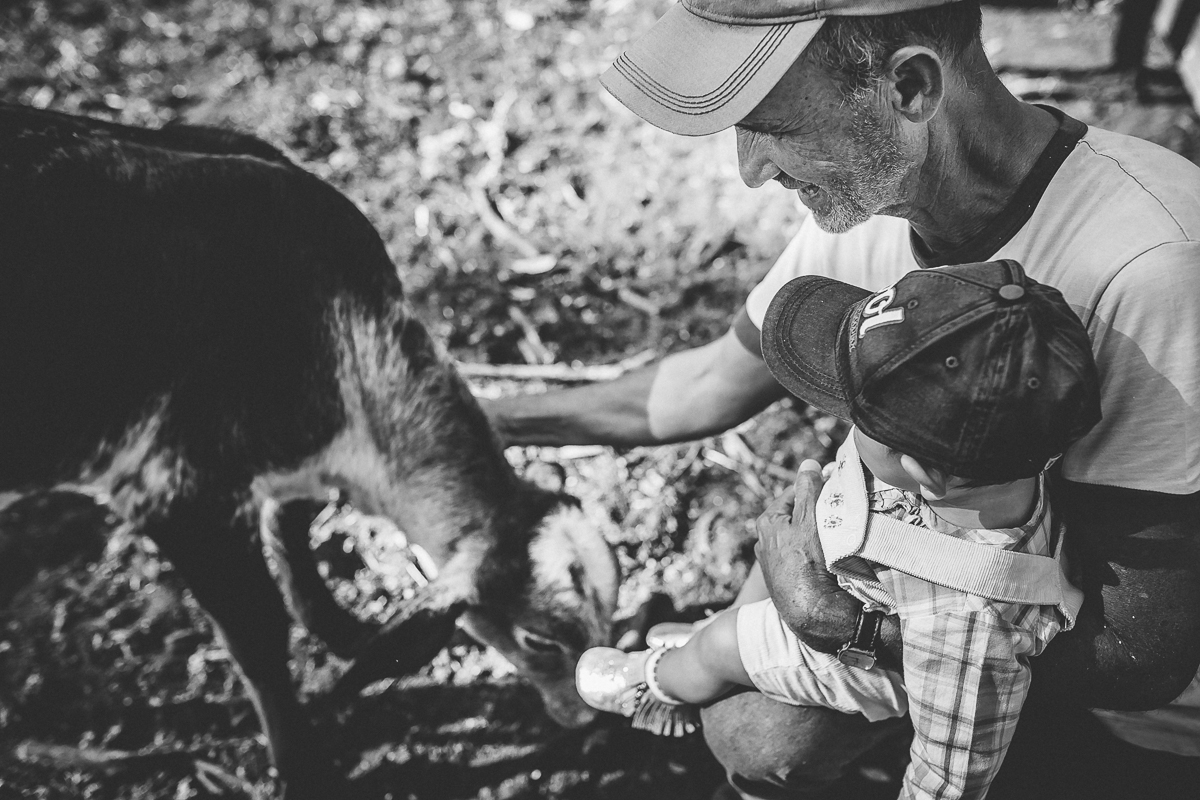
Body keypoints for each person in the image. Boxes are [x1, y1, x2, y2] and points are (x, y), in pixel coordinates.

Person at [481, 1, 1200, 797]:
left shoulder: (1150, 268)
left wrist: (846, 628)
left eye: (774, 126)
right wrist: (486, 424)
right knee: (740, 712)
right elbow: (709, 384)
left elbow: (1140, 656)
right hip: (946, 584)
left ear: (910, 88)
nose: (750, 169)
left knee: (760, 736)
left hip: (1112, 705)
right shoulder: (879, 197)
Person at [574, 260, 1100, 800]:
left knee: (721, 644)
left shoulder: (967, 629)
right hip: (860, 564)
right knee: (778, 552)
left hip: (869, 659)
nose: (843, 415)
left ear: (920, 472)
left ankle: (656, 683)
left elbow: (947, 775)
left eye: (858, 413)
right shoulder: (991, 460)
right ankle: (719, 641)